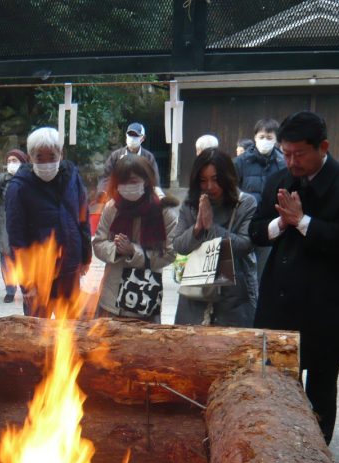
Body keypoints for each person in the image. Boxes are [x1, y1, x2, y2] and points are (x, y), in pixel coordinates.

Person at [249, 111, 339, 444]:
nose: (291, 161)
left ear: (323, 147)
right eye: (286, 153)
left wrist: (303, 221)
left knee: (320, 390)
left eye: (299, 154)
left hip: (325, 308)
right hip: (281, 302)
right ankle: (277, 447)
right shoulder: (278, 181)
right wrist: (281, 224)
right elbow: (256, 231)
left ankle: (316, 454)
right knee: (276, 385)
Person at [5, 126, 91, 318]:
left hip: (69, 266)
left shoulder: (72, 177)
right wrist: (26, 284)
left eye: (51, 156)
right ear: (30, 157)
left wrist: (86, 255)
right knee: (37, 334)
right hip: (39, 273)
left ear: (61, 154)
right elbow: (16, 238)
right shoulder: (18, 188)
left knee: (69, 330)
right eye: (39, 157)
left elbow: (83, 216)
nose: (46, 162)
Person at [173, 149, 258, 327]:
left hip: (233, 296)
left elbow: (246, 245)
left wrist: (212, 227)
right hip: (195, 295)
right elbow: (178, 244)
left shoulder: (245, 203)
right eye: (203, 181)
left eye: (216, 179)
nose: (210, 187)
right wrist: (197, 228)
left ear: (227, 178)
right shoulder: (191, 205)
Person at [92, 155, 178, 322]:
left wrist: (134, 252)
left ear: (145, 180)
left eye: (132, 181)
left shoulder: (163, 212)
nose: (126, 187)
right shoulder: (112, 207)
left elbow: (170, 254)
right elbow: (98, 243)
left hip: (144, 298)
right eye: (121, 182)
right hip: (112, 298)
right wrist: (116, 249)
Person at [234, 118, 286, 277]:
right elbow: (231, 188)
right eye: (261, 137)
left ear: (276, 140)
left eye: (269, 138)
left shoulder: (283, 163)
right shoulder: (240, 162)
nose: (265, 141)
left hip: (269, 225)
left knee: (264, 272)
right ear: (255, 137)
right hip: (243, 225)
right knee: (240, 273)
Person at [0, 148, 28, 303]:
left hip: (24, 221)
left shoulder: (29, 178)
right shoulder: (4, 178)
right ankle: (10, 289)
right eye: (9, 161)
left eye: (14, 160)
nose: (11, 163)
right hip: (5, 221)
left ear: (22, 162)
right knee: (6, 256)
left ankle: (25, 286)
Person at [97, 122, 162, 198]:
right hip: (118, 198)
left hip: (142, 198)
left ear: (143, 138)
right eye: (130, 135)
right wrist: (103, 191)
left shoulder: (148, 157)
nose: (132, 138)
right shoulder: (116, 156)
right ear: (126, 136)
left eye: (136, 135)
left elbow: (154, 180)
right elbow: (105, 176)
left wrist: (160, 196)